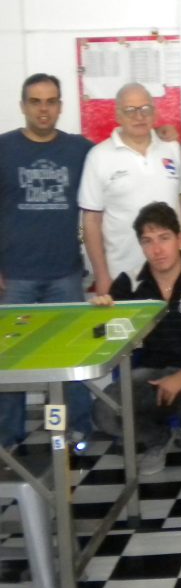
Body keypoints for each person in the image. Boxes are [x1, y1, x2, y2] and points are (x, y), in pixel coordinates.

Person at [91, 202, 181, 474]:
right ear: (141, 246)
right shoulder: (128, 284)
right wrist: (101, 316)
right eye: (148, 241)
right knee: (104, 413)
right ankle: (157, 438)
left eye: (164, 238)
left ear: (180, 239)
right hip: (151, 375)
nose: (157, 250)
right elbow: (108, 338)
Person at [0, 73, 93, 450]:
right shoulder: (4, 148)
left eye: (51, 101)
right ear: (23, 106)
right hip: (15, 277)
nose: (44, 109)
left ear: (60, 106)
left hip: (65, 274)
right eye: (36, 101)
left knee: (73, 355)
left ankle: (78, 429)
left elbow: (120, 149)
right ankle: (8, 437)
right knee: (11, 359)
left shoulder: (79, 149)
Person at [80, 82, 181, 294]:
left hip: (172, 273)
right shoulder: (99, 157)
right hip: (122, 275)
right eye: (130, 110)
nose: (139, 116)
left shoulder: (172, 149)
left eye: (145, 109)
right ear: (118, 115)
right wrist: (101, 276)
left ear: (154, 112)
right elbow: (90, 221)